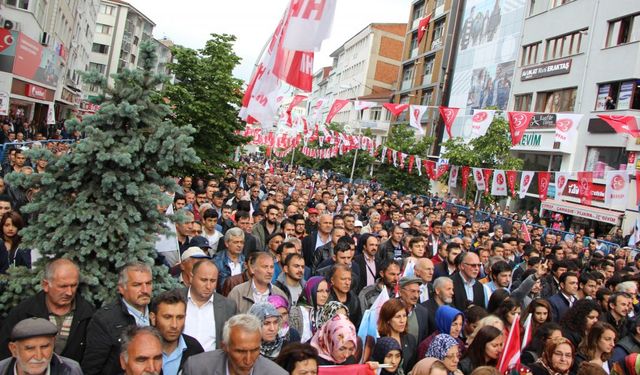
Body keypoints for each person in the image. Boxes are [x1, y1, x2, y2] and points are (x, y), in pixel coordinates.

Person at [0, 259, 94, 363]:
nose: (69, 292)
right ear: (45, 285)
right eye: (63, 286)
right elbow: (5, 353)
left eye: (73, 285)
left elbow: (93, 357)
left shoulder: (88, 314)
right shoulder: (23, 312)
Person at [82, 261, 154, 375]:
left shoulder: (160, 311)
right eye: (137, 285)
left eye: (148, 283)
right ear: (121, 288)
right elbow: (92, 369)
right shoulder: (104, 320)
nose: (145, 290)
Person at [182, 313, 287, 375]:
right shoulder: (197, 369)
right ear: (225, 347)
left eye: (255, 350)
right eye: (240, 351)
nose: (248, 360)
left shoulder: (276, 373)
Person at [179, 260, 237, 351]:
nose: (209, 286)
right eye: (204, 280)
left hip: (213, 363)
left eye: (213, 281)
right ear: (191, 278)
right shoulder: (176, 298)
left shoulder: (228, 306)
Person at [0, 317, 83, 375]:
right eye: (30, 348)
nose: (38, 356)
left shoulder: (71, 370)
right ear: (14, 349)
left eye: (44, 347)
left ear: (53, 344)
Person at [149, 290, 203, 375]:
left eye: (180, 317)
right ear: (153, 318)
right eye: (167, 317)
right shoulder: (142, 349)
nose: (174, 325)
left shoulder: (195, 349)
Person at [292, 275, 330, 342]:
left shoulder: (326, 312)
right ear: (310, 291)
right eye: (320, 291)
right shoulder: (295, 313)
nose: (325, 295)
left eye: (327, 291)